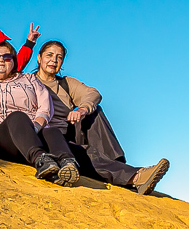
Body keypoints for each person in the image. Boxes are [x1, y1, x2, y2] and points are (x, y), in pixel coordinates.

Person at [33, 40, 170, 196]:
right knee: (84, 152)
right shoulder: (29, 82)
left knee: (95, 111)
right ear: (39, 58)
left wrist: (82, 109)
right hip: (51, 137)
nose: (54, 60)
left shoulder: (66, 83)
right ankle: (135, 176)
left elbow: (93, 93)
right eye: (49, 55)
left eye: (59, 57)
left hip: (70, 129)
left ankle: (118, 166)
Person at [0, 40, 75, 185]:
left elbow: (45, 108)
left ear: (13, 61)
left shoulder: (29, 79)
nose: (1, 60)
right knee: (17, 116)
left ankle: (66, 163)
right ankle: (40, 159)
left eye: (7, 57)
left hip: (30, 134)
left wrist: (35, 128)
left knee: (52, 131)